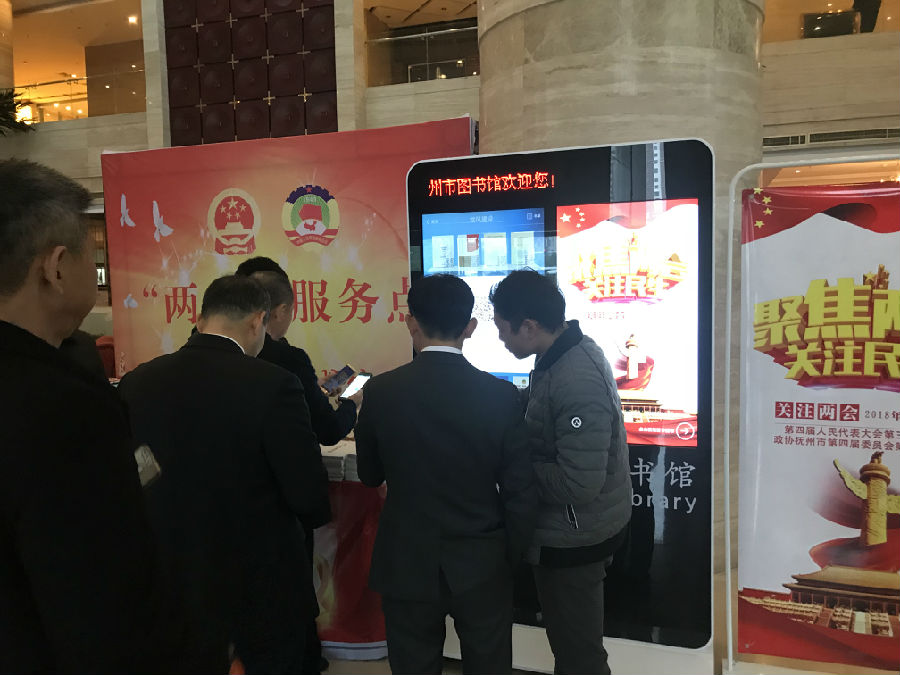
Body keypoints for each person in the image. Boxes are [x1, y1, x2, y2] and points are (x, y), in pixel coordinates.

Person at [0, 159, 185, 672]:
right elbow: (103, 609)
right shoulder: (62, 409)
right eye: (91, 252)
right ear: (56, 268)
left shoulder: (59, 374)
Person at [117, 274, 330, 674]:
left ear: (200, 319)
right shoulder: (274, 385)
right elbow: (310, 498)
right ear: (258, 321)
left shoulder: (137, 382)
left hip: (169, 580)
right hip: (258, 587)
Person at [355, 273, 537, 675]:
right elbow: (520, 492)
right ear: (470, 327)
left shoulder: (381, 392)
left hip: (406, 557)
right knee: (489, 665)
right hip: (482, 559)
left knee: (413, 664)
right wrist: (508, 556)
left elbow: (369, 475)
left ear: (410, 322)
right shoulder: (501, 395)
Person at [489, 269, 632, 675]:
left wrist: (511, 469)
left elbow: (577, 483)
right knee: (572, 644)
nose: (500, 339)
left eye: (503, 329)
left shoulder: (575, 378)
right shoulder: (561, 352)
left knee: (578, 654)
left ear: (529, 326)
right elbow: (548, 410)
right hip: (574, 530)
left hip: (574, 539)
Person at [240, 263, 359, 674]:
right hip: (284, 495)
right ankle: (305, 655)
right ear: (279, 311)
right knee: (291, 582)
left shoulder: (216, 358)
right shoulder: (288, 359)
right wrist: (351, 406)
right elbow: (327, 430)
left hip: (232, 502)